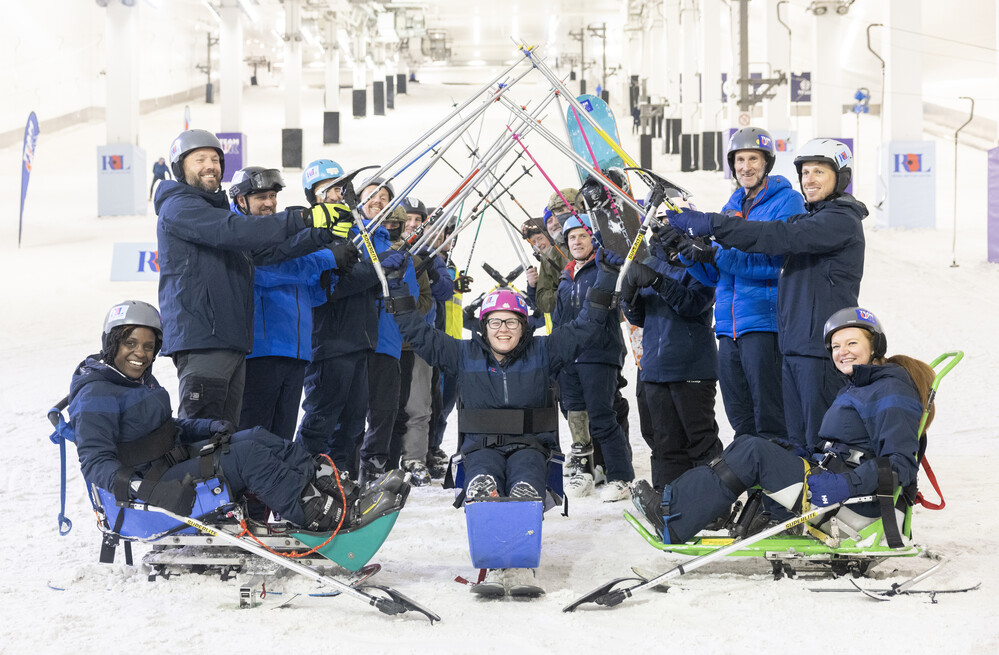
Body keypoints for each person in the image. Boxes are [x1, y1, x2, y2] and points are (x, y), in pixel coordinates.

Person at [383, 254, 623, 592]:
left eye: (512, 322)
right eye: (495, 322)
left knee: (526, 484)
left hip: (531, 445)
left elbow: (588, 324)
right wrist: (396, 285)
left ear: (525, 326)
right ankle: (495, 563)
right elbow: (417, 332)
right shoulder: (462, 354)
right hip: (481, 447)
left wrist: (608, 274)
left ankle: (521, 565)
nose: (503, 329)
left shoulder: (545, 351)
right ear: (484, 327)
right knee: (483, 483)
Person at [69, 300, 407, 534]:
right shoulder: (96, 393)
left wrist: (206, 427)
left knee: (256, 436)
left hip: (172, 462)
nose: (140, 354)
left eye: (148, 346)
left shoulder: (138, 380)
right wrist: (149, 490)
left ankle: (336, 491)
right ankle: (320, 515)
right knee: (246, 456)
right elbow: (95, 463)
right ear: (111, 342)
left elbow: (166, 427)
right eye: (131, 343)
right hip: (155, 486)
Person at [631, 307, 930, 545]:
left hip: (856, 503)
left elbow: (900, 463)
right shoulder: (859, 387)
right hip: (834, 486)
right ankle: (680, 508)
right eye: (836, 346)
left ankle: (672, 518)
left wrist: (846, 485)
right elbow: (848, 447)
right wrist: (802, 452)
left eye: (853, 343)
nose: (843, 352)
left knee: (753, 453)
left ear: (875, 345)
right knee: (751, 442)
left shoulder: (891, 389)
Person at [666, 138, 867, 449]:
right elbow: (758, 238)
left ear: (840, 178)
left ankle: (825, 494)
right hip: (794, 344)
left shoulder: (840, 220)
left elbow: (776, 234)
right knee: (794, 440)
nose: (809, 180)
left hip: (818, 346)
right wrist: (696, 249)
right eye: (805, 172)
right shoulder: (809, 217)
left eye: (819, 173)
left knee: (817, 438)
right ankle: (782, 494)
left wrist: (710, 223)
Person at [154, 130, 352, 426]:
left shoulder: (213, 212)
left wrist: (317, 235)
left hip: (232, 339)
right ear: (180, 167)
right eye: (200, 159)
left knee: (230, 440)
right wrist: (304, 218)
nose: (210, 165)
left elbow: (268, 253)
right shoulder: (180, 207)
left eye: (215, 159)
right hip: (204, 337)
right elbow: (234, 231)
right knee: (202, 436)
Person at [678, 127, 805, 444]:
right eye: (739, 159)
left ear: (767, 163)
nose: (746, 166)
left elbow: (775, 263)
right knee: (740, 417)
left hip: (764, 324)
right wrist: (689, 254)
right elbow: (714, 276)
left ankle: (780, 487)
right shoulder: (731, 205)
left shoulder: (787, 202)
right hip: (728, 329)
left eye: (753, 158)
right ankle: (755, 484)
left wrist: (714, 255)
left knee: (771, 418)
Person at [231, 166, 347, 441]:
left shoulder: (281, 234)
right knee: (254, 435)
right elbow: (265, 270)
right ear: (240, 200)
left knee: (282, 438)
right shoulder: (237, 234)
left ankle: (274, 484)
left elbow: (311, 292)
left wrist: (331, 273)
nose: (270, 203)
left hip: (296, 352)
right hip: (260, 351)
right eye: (261, 197)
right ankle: (248, 485)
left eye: (272, 196)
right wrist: (327, 258)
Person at [619, 234, 722, 493]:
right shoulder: (652, 260)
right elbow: (641, 317)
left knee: (700, 440)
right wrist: (629, 297)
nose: (663, 226)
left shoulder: (701, 261)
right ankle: (670, 503)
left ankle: (712, 502)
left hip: (691, 366)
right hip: (655, 367)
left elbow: (694, 304)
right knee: (664, 442)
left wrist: (658, 281)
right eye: (660, 221)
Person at [553, 213, 634, 501]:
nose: (576, 241)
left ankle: (621, 476)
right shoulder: (566, 277)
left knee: (601, 416)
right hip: (570, 359)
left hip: (599, 354)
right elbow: (559, 319)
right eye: (571, 237)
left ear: (593, 239)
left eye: (582, 236)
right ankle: (585, 471)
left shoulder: (605, 267)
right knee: (575, 415)